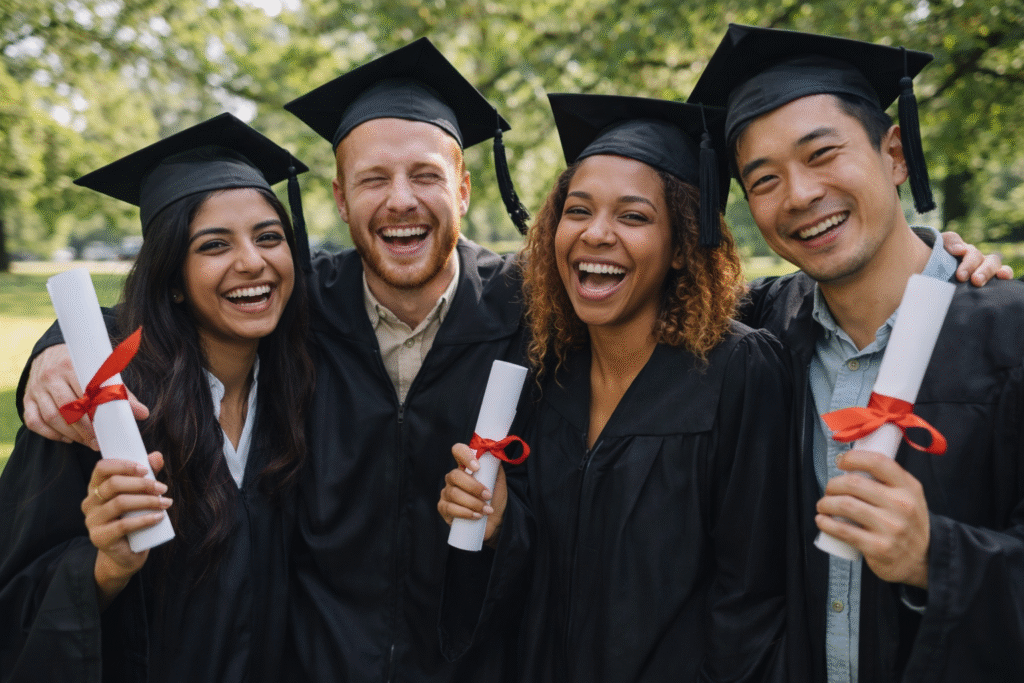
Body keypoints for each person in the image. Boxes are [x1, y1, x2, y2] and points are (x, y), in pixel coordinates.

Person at [689, 24, 1024, 683]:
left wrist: (936, 556)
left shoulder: (1011, 341)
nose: (801, 194)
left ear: (895, 153)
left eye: (822, 154)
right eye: (763, 180)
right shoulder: (758, 333)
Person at [438, 93, 791, 682]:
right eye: (578, 211)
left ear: (681, 246)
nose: (596, 234)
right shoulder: (551, 372)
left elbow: (753, 598)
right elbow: (552, 572)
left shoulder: (738, 372)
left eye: (633, 216)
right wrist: (502, 525)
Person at [0, 113, 315, 683]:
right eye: (214, 245)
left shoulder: (307, 387)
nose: (252, 261)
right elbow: (14, 600)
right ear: (172, 278)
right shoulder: (99, 413)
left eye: (269, 237)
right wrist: (106, 566)